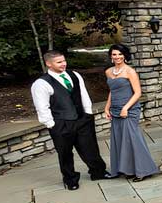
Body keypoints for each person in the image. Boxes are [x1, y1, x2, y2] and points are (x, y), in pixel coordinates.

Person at [30, 50, 114, 190]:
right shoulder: (40, 84)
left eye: (64, 61)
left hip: (82, 119)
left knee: (90, 148)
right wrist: (51, 124)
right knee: (65, 153)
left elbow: (83, 94)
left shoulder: (74, 75)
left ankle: (98, 172)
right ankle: (70, 179)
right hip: (61, 123)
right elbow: (42, 107)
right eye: (59, 62)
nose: (63, 64)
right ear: (48, 64)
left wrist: (87, 113)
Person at [103, 44, 159, 182]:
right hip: (115, 110)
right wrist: (106, 107)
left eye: (120, 54)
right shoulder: (109, 72)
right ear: (111, 56)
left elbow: (138, 92)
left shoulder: (130, 71)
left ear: (125, 55)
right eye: (114, 54)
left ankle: (143, 171)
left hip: (129, 109)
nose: (117, 57)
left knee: (132, 139)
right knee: (120, 139)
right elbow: (112, 91)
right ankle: (127, 169)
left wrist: (126, 108)